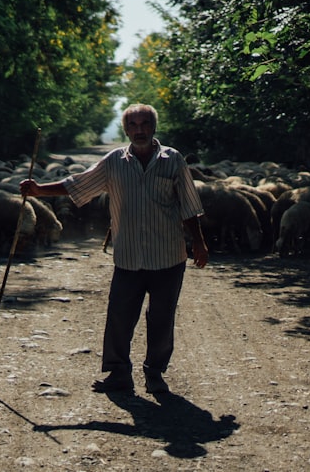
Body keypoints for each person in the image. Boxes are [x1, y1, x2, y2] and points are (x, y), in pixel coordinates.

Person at [20, 104, 209, 394]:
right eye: (133, 125)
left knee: (161, 317)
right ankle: (119, 373)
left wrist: (197, 241)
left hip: (168, 254)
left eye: (145, 123)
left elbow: (188, 204)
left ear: (154, 127)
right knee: (119, 315)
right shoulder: (114, 162)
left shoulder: (173, 160)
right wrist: (39, 190)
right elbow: (78, 184)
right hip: (128, 254)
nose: (140, 130)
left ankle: (155, 373)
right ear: (126, 130)